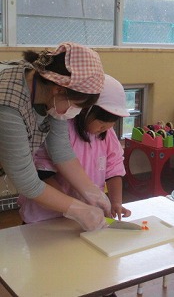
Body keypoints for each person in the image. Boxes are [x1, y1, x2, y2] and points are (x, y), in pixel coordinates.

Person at [0, 42, 111, 231]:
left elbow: (60, 149)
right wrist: (78, 209)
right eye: (76, 105)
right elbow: (27, 182)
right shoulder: (8, 105)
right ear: (59, 90)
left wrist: (91, 191)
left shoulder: (49, 92)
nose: (74, 113)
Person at [18, 74, 132, 223]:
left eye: (110, 126)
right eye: (102, 124)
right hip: (46, 216)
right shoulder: (59, 128)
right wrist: (75, 207)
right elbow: (42, 175)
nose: (104, 130)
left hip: (85, 216)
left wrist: (116, 202)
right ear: (84, 110)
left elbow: (114, 167)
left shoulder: (106, 134)